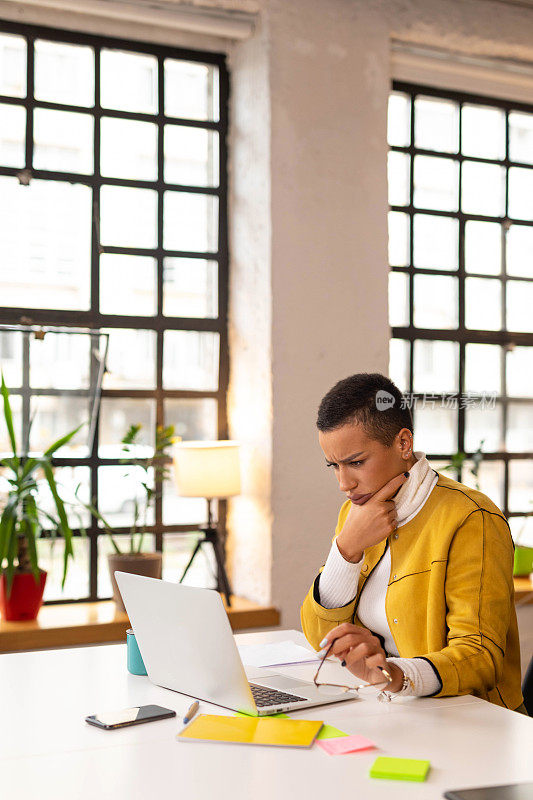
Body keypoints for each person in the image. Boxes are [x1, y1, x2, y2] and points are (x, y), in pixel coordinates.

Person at [301, 373, 526, 713]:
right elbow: (321, 639)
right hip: (389, 710)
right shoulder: (356, 513)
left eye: (356, 462)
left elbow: (481, 656)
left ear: (403, 443)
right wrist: (346, 548)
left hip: (470, 723)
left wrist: (394, 675)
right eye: (333, 465)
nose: (344, 483)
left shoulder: (471, 517)